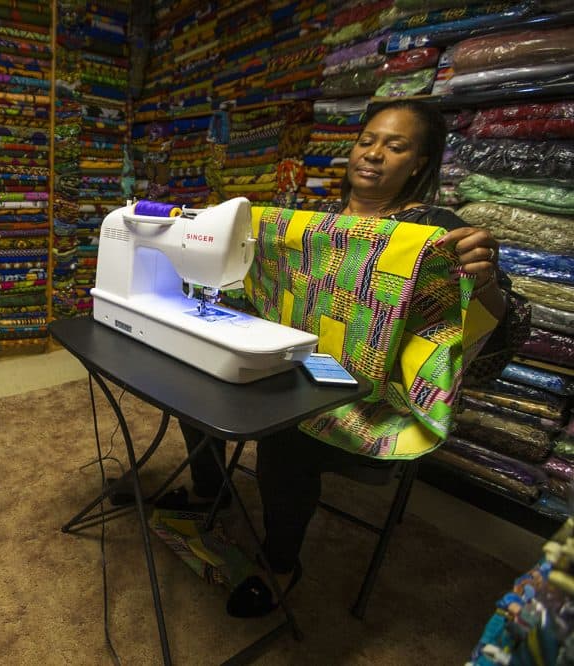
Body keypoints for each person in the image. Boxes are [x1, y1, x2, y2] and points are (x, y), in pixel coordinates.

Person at [178, 99, 523, 617]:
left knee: (286, 435)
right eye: (367, 140)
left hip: (368, 394)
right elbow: (263, 288)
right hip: (297, 365)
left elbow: (500, 341)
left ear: (419, 163)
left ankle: (281, 564)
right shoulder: (314, 226)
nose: (375, 153)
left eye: (396, 145)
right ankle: (210, 489)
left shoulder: (438, 234)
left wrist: (486, 283)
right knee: (195, 375)